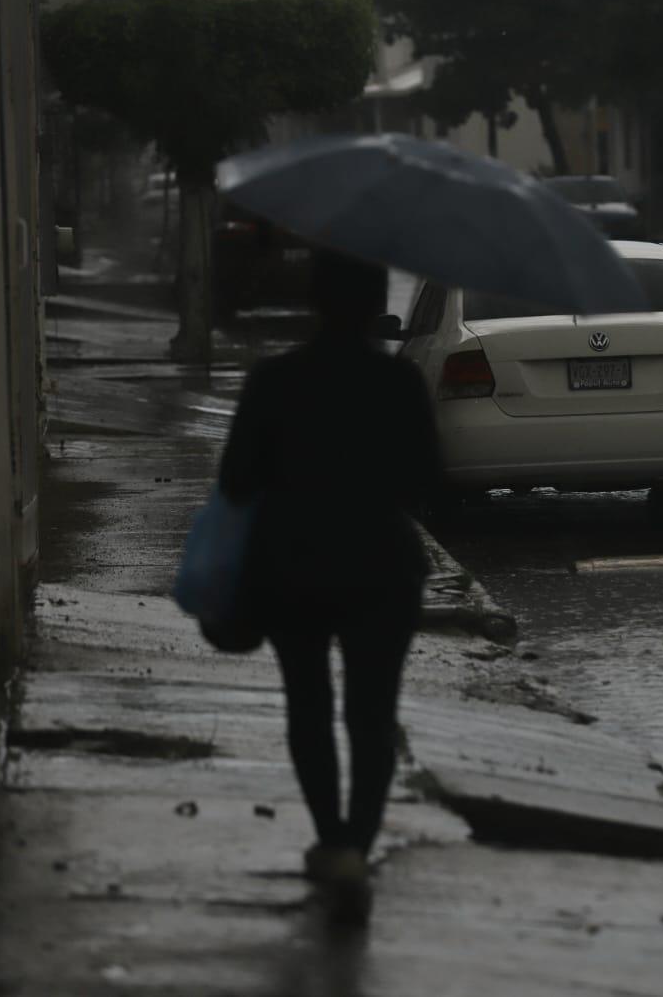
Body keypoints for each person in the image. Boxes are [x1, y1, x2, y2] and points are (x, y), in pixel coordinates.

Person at [218, 248, 441, 925]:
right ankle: (355, 849)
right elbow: (425, 483)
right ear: (379, 305)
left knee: (308, 705)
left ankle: (332, 838)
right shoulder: (399, 385)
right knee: (372, 714)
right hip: (381, 569)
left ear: (313, 299)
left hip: (293, 567)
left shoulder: (274, 380)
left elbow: (234, 482)